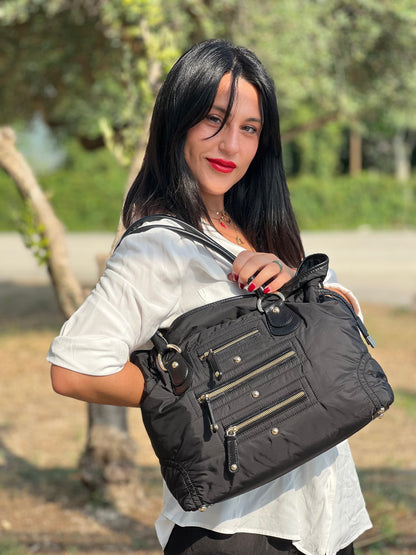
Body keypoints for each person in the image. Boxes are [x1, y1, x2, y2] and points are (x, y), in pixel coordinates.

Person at [48, 39, 370, 554]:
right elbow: (75, 368)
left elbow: (347, 319)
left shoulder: (253, 226)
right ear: (177, 121)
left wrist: (293, 278)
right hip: (238, 528)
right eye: (213, 120)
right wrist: (189, 392)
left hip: (323, 521)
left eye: (249, 128)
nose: (231, 145)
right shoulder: (160, 244)